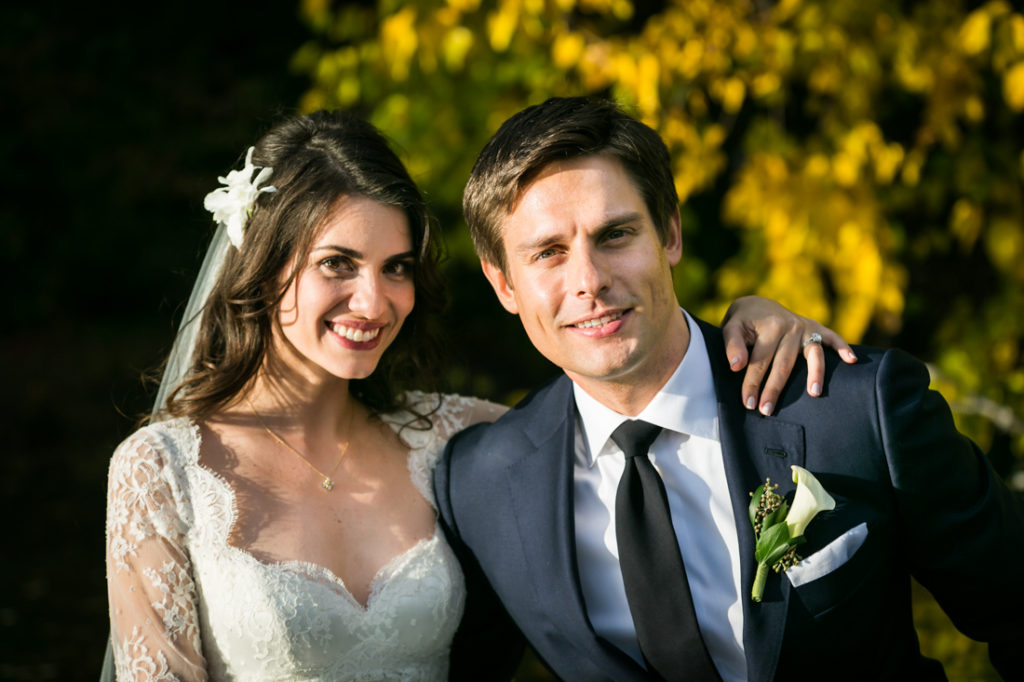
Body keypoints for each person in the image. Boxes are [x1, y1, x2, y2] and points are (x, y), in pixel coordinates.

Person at [103, 109, 847, 680]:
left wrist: (751, 324)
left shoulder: (455, 441)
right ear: (264, 267)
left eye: (396, 267)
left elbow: (620, 397)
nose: (374, 299)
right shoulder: (162, 472)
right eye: (339, 263)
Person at [434, 96, 1024, 681]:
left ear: (669, 234)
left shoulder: (854, 406)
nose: (589, 280)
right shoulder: (480, 485)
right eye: (548, 253)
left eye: (615, 235)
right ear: (503, 284)